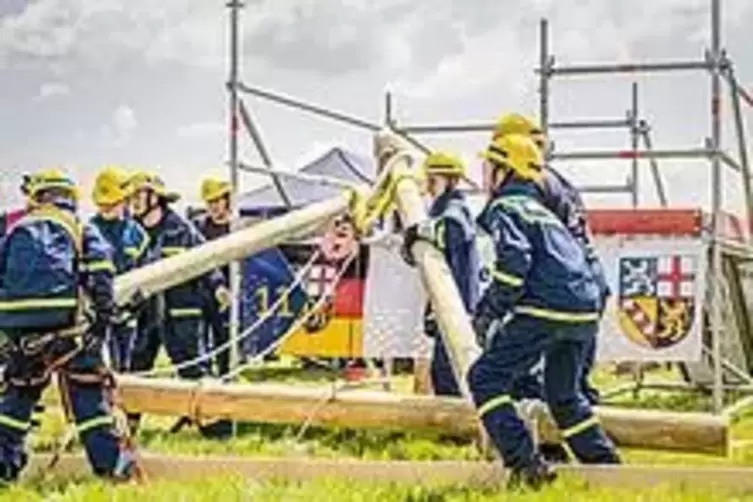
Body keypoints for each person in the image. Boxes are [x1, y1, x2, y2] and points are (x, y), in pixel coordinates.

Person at [468, 134, 621, 490]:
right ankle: (608, 469)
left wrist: (488, 313)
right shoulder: (547, 213)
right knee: (564, 396)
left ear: (504, 170)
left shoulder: (506, 207)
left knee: (485, 379)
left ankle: (526, 465)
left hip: (545, 310)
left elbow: (513, 265)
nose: (483, 173)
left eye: (488, 165)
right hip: (584, 312)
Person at [0, 169, 137, 482]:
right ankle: (111, 468)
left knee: (17, 398)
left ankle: (3, 467)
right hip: (68, 330)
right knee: (87, 395)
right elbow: (101, 275)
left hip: (20, 332)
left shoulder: (14, 230)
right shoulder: (79, 228)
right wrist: (100, 326)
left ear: (37, 197)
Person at [493, 113, 609, 407]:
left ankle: (543, 443)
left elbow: (525, 253)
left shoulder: (532, 185)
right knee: (571, 380)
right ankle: (583, 438)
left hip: (561, 287)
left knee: (533, 377)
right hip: (586, 281)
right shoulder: (559, 182)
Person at [127, 171, 232, 438]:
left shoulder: (181, 229)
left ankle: (217, 428)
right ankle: (126, 427)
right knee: (136, 369)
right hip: (145, 313)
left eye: (139, 194)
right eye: (133, 196)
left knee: (194, 367)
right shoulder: (130, 231)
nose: (134, 201)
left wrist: (218, 286)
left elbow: (205, 259)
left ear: (155, 198)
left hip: (181, 313)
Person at [401, 152, 480, 396]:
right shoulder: (440, 211)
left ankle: (457, 426)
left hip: (458, 302)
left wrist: (421, 230)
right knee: (443, 369)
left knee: (448, 370)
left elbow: (452, 230)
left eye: (431, 180)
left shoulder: (455, 208)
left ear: (447, 180)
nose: (427, 186)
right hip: (448, 300)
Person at [89, 166, 150, 373]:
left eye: (111, 203)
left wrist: (137, 303)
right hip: (97, 315)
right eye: (102, 204)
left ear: (125, 200)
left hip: (127, 315)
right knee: (100, 368)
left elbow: (146, 273)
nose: (106, 208)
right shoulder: (88, 231)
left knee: (123, 367)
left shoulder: (138, 235)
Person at [192, 177, 232, 377]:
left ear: (227, 200)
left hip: (227, 290)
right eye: (210, 202)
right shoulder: (198, 226)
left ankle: (225, 373)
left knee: (223, 335)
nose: (214, 206)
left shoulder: (236, 226)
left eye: (217, 201)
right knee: (200, 335)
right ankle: (204, 374)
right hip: (202, 289)